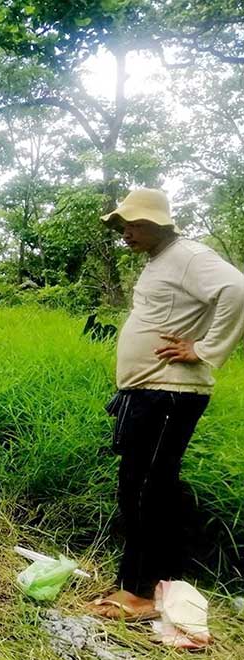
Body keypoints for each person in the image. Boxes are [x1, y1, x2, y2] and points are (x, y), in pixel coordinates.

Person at [89, 188, 244, 620]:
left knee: (143, 490)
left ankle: (136, 594)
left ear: (159, 224)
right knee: (142, 487)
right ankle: (147, 582)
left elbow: (237, 290)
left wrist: (207, 348)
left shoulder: (190, 255)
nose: (126, 234)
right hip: (150, 391)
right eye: (122, 227)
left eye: (133, 225)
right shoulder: (162, 261)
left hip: (170, 392)